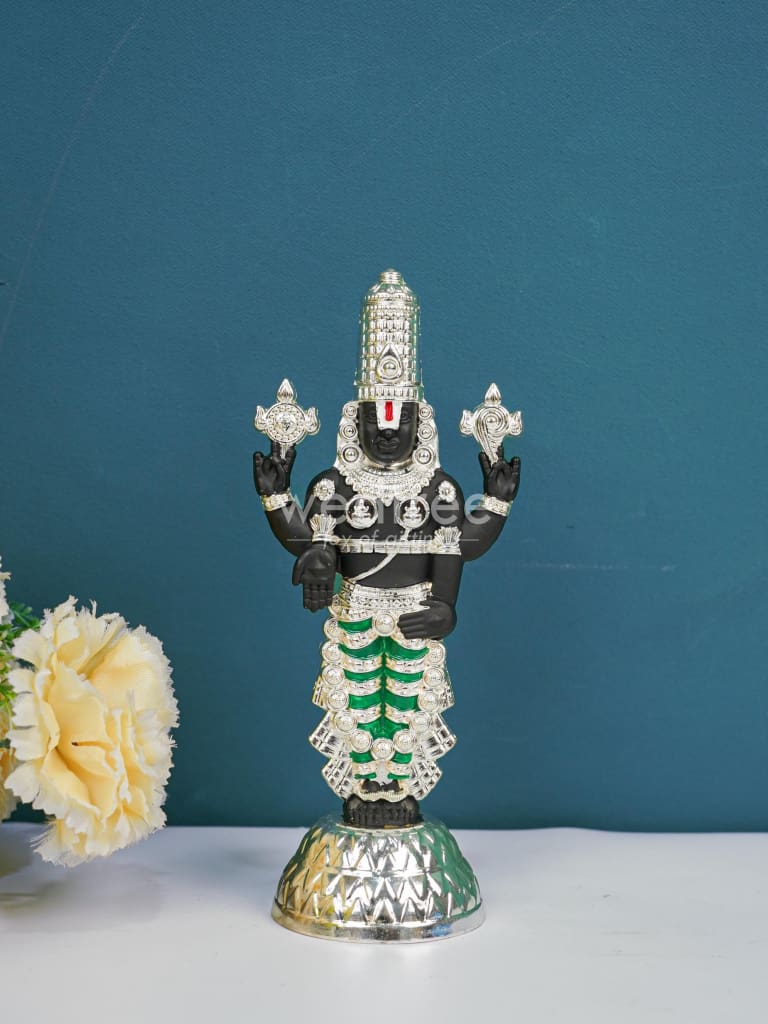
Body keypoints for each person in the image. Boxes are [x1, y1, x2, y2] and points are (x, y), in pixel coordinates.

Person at [253, 271, 519, 827]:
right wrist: (276, 495)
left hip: (416, 615)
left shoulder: (439, 489)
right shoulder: (334, 485)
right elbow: (305, 540)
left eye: (401, 421)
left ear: (422, 425)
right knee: (353, 706)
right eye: (375, 419)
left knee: (407, 706)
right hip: (353, 613)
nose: (388, 432)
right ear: (355, 422)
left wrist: (494, 505)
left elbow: (459, 548)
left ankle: (397, 789)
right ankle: (362, 790)